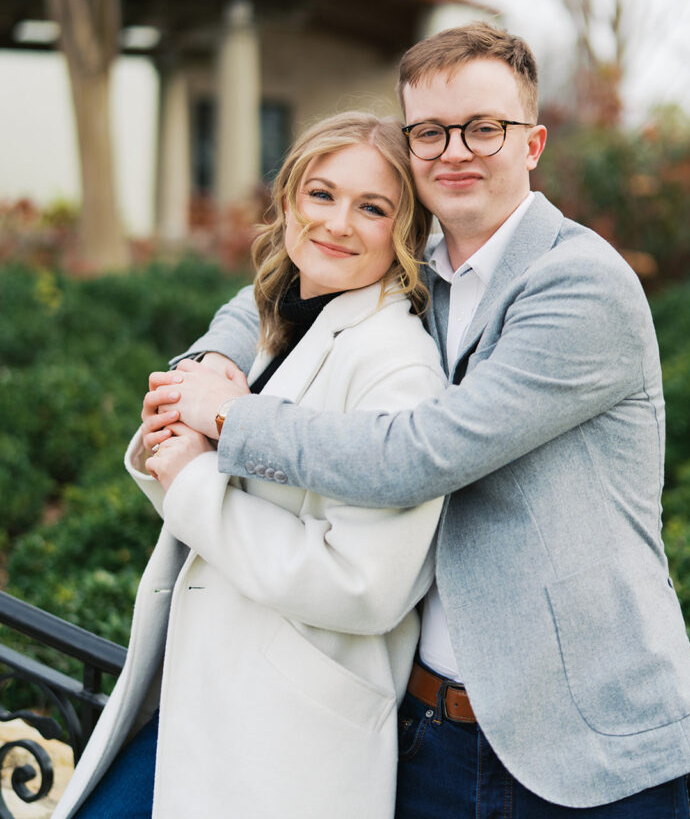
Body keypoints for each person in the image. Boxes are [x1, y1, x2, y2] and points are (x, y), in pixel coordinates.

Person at [149, 22, 690, 818]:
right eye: (430, 131)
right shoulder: (417, 268)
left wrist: (235, 421)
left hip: (585, 746)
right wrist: (208, 362)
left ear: (532, 142)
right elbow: (290, 282)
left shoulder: (582, 285)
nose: (456, 150)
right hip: (428, 736)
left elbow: (419, 455)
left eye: (484, 127)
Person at [52, 113, 446, 819]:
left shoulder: (398, 367)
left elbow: (364, 585)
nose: (336, 223)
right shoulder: (283, 319)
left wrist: (193, 481)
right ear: (289, 199)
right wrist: (172, 449)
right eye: (321, 194)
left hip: (286, 725)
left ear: (407, 230)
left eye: (373, 207)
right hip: (204, 687)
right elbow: (232, 490)